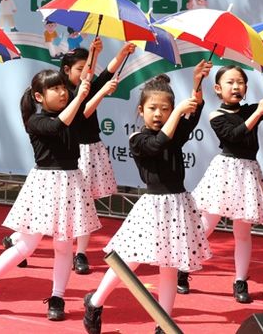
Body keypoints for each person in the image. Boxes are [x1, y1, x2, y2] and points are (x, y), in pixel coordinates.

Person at [82, 64, 212, 334]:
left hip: (178, 205)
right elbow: (157, 144)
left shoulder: (175, 133)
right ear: (141, 110)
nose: (159, 114)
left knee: (170, 266)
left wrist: (197, 84)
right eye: (153, 108)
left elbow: (193, 117)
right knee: (128, 261)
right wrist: (178, 112)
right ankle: (94, 303)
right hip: (152, 207)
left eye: (165, 109)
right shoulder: (137, 139)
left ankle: (163, 324)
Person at [0, 69, 99, 321]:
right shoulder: (36, 121)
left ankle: (57, 298)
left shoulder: (72, 114)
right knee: (27, 245)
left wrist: (96, 86)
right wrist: (80, 98)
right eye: (55, 88)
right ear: (39, 97)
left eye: (63, 87)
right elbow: (58, 125)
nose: (62, 92)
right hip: (45, 184)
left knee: (64, 246)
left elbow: (85, 106)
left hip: (71, 182)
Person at [2, 40, 135, 274]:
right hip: (73, 154)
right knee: (57, 211)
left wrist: (121, 53)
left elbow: (105, 74)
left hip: (90, 148)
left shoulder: (80, 89)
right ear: (66, 71)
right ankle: (17, 240)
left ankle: (80, 253)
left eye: (88, 67)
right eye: (80, 68)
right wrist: (96, 91)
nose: (87, 72)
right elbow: (83, 112)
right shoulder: (67, 96)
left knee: (84, 206)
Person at [188, 63, 263, 303]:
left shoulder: (250, 110)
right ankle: (184, 266)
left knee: (242, 233)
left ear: (246, 87)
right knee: (207, 225)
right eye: (230, 82)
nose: (236, 87)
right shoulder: (216, 116)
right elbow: (235, 135)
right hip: (225, 172)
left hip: (248, 173)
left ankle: (240, 281)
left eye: (240, 82)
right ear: (218, 88)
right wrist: (257, 113)